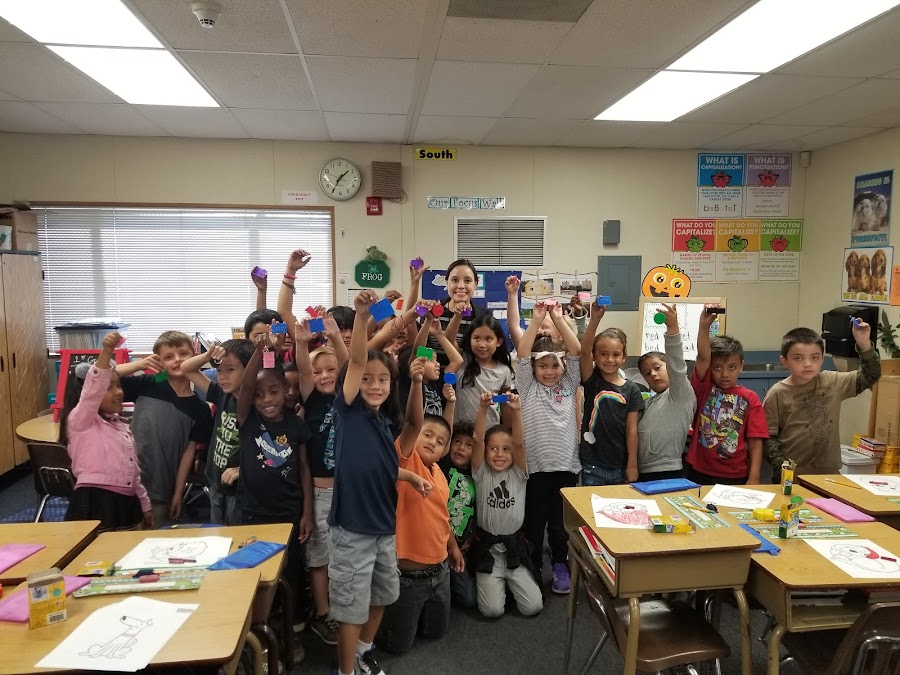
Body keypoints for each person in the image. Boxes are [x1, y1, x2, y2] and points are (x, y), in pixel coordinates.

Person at [328, 290, 433, 675]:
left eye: (383, 380)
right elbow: (358, 359)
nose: (375, 385)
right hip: (352, 529)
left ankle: (363, 651)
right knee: (350, 608)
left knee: (384, 594)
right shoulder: (348, 411)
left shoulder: (384, 423)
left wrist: (410, 476)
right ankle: (346, 671)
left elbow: (384, 464)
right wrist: (360, 316)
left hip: (383, 528)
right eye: (368, 380)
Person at [377, 360, 463, 654]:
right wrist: (416, 383)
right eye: (427, 435)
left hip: (440, 572)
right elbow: (413, 423)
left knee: (436, 633)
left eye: (439, 442)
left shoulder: (439, 473)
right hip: (408, 579)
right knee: (397, 647)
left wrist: (453, 547)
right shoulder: (406, 459)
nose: (433, 442)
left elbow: (442, 517)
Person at [233, 328, 314, 632]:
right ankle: (258, 626)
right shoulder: (248, 419)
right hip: (253, 513)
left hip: (289, 512)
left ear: (285, 391)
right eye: (258, 395)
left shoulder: (296, 426)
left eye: (274, 392)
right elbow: (245, 386)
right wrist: (260, 350)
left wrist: (307, 514)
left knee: (291, 572)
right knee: (257, 571)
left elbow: (304, 468)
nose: (267, 400)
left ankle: (293, 627)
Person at [515, 301, 581, 594]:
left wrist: (557, 317)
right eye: (543, 366)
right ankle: (533, 567)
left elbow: (576, 350)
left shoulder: (569, 382)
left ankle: (559, 564)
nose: (550, 371)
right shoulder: (527, 386)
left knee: (559, 525)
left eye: (555, 365)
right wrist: (536, 319)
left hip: (566, 466)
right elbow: (522, 353)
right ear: (533, 368)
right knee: (534, 523)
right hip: (535, 468)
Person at [116, 330, 212, 527]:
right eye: (168, 357)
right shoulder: (148, 384)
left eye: (183, 354)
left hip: (162, 485)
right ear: (159, 362)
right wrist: (140, 365)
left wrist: (178, 492)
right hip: (126, 480)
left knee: (155, 534)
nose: (177, 360)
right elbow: (103, 377)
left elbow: (189, 453)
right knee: (123, 533)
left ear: (195, 357)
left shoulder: (200, 408)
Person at [60, 331, 153, 532]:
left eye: (118, 386)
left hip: (126, 501)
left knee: (125, 547)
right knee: (95, 550)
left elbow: (133, 472)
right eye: (109, 388)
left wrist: (145, 505)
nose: (118, 392)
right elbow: (92, 391)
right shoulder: (80, 420)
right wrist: (107, 352)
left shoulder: (122, 426)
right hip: (95, 501)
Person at [293, 314, 349, 646]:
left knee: (344, 554)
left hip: (347, 492)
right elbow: (303, 370)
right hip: (319, 493)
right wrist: (302, 343)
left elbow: (350, 364)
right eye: (318, 372)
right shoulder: (311, 398)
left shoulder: (347, 397)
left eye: (330, 370)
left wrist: (335, 337)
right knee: (318, 557)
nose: (324, 376)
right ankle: (323, 612)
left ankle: (341, 607)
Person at [764, 323, 880, 476]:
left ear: (822, 359)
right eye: (798, 358)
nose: (807, 364)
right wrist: (783, 467)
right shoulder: (777, 393)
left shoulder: (832, 381)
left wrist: (864, 343)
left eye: (815, 358)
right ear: (784, 361)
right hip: (792, 474)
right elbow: (767, 437)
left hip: (829, 473)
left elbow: (870, 375)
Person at [469, 392, 542, 619]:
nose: (499, 454)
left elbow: (519, 443)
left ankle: (510, 584)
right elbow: (477, 440)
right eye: (493, 449)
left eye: (506, 449)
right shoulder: (481, 473)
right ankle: (497, 586)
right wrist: (482, 408)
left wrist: (517, 411)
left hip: (514, 550)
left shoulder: (518, 473)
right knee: (492, 611)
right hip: (488, 551)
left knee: (533, 607)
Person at [685, 311, 768, 485]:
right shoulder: (704, 388)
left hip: (735, 474)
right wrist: (704, 327)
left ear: (741, 366)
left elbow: (755, 440)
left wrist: (754, 477)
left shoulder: (750, 398)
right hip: (699, 471)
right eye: (717, 367)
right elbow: (703, 356)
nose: (725, 374)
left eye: (732, 367)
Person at [181, 338, 255, 525]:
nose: (222, 377)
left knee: (236, 532)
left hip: (240, 486)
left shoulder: (256, 404)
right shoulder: (222, 394)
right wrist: (208, 356)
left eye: (230, 370)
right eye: (219, 370)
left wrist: (244, 470)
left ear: (249, 370)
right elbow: (186, 368)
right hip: (215, 480)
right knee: (217, 531)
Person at [578, 303, 645, 486]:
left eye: (616, 355)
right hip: (592, 464)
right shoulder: (592, 380)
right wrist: (595, 319)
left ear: (624, 357)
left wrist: (632, 465)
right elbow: (584, 351)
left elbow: (632, 430)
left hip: (619, 465)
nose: (609, 360)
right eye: (603, 354)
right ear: (595, 356)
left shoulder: (632, 390)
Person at [636, 304, 695, 481]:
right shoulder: (648, 403)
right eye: (647, 373)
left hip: (667, 470)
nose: (653, 374)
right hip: (642, 470)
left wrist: (672, 328)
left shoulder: (679, 395)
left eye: (657, 368)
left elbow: (677, 364)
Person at [439, 420, 477, 609]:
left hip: (460, 551)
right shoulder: (442, 468)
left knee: (468, 599)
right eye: (457, 442)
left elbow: (476, 511)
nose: (461, 448)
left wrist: (472, 535)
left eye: (469, 445)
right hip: (439, 546)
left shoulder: (476, 477)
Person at [424, 259, 488, 365]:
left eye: (467, 281)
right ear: (447, 283)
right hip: (432, 373)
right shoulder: (432, 311)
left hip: (466, 374)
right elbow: (419, 349)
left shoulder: (483, 317)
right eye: (455, 280)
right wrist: (434, 360)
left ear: (475, 284)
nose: (461, 286)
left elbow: (478, 356)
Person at [454, 315, 514, 427]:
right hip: (461, 431)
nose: (482, 345)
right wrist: (457, 316)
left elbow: (505, 404)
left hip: (489, 430)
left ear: (499, 341)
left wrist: (508, 432)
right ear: (469, 340)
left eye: (488, 339)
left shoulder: (503, 371)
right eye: (477, 338)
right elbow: (449, 339)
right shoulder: (461, 359)